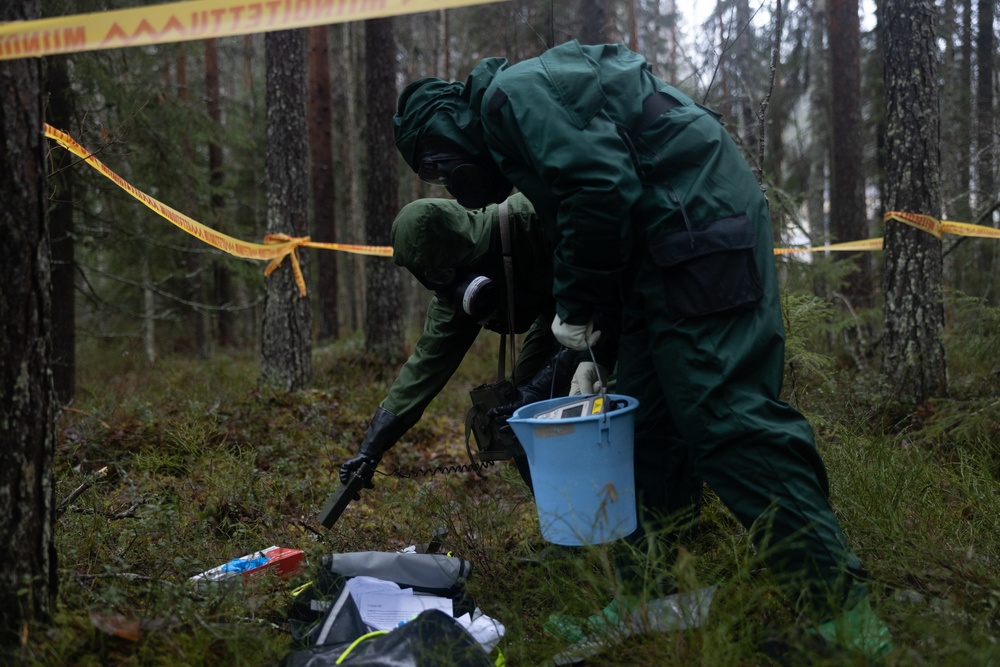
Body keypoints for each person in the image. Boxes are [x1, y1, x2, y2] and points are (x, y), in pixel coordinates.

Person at [392, 40, 891, 657]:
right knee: (649, 429)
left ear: (447, 134)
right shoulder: (514, 113)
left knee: (727, 420)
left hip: (696, 228)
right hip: (664, 247)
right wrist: (600, 325)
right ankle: (650, 595)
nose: (452, 184)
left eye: (441, 168)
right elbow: (603, 191)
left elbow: (597, 187)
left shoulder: (507, 100)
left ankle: (844, 619)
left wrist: (574, 310)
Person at [339, 193, 615, 493]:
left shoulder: (532, 216)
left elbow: (606, 284)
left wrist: (548, 382)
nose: (437, 285)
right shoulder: (453, 298)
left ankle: (634, 508)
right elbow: (420, 372)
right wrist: (370, 449)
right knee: (518, 417)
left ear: (459, 246)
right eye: (425, 277)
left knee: (603, 388)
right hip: (556, 320)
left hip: (604, 304)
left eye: (440, 273)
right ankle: (566, 520)